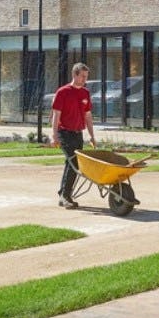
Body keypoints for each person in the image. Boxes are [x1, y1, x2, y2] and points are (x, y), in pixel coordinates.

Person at [51, 62, 96, 208]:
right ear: (74, 75)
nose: (85, 80)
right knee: (73, 163)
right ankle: (65, 196)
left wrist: (91, 135)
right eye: (82, 76)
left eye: (86, 77)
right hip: (64, 133)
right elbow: (56, 115)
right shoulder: (63, 92)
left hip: (78, 133)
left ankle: (63, 193)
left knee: (71, 164)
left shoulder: (85, 93)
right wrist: (55, 135)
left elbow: (87, 116)